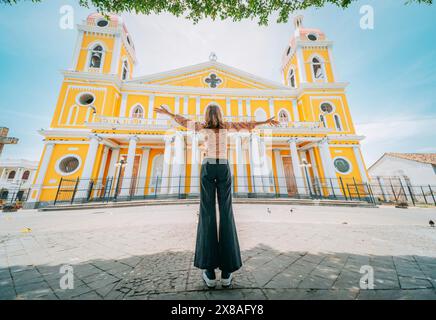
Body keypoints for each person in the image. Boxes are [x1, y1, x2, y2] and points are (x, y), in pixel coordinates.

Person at [154, 104, 279, 288]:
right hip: (223, 167)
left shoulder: (201, 126)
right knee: (226, 213)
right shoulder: (227, 126)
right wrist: (265, 121)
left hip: (208, 165)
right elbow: (248, 124)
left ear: (206, 114)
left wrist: (168, 113)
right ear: (220, 114)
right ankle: (227, 272)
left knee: (207, 213)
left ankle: (210, 272)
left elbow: (182, 121)